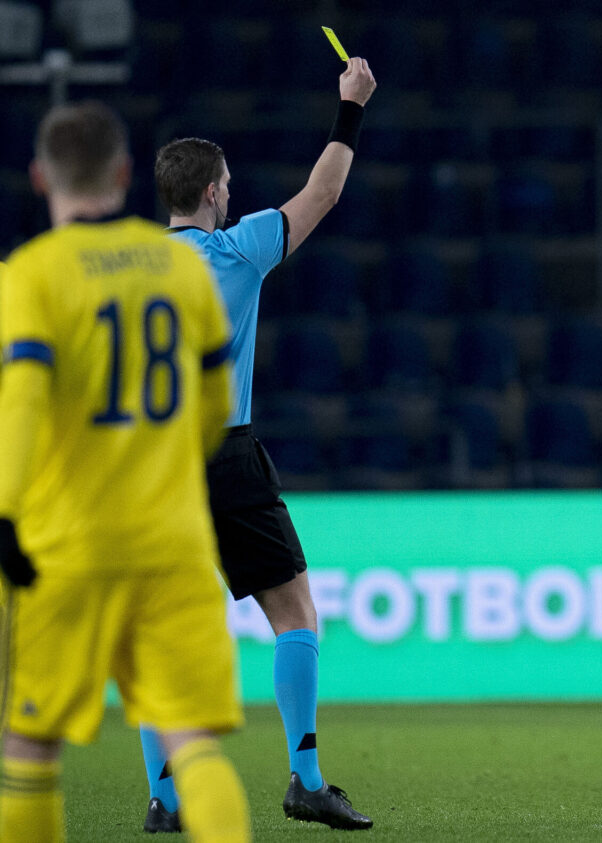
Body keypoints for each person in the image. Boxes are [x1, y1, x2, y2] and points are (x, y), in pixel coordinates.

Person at [138, 57, 377, 833]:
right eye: (229, 183)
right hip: (224, 453)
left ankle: (164, 798)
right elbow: (325, 192)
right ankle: (305, 778)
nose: (232, 192)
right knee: (294, 611)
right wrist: (350, 108)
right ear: (212, 191)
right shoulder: (237, 251)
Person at [0, 101, 250, 842]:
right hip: (170, 545)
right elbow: (212, 411)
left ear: (42, 177)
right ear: (123, 173)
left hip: (65, 546)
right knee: (192, 742)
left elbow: (22, 404)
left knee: (29, 748)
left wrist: (6, 513)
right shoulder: (181, 270)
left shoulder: (31, 275)